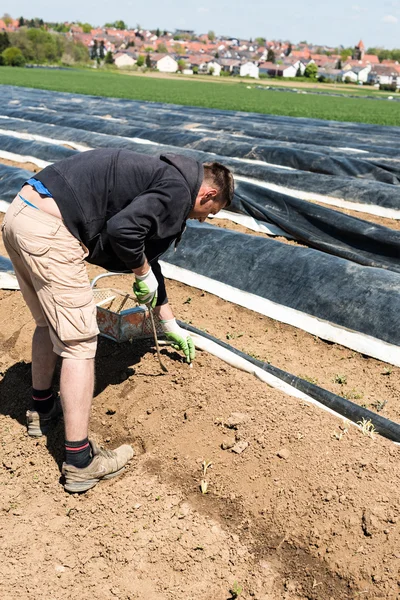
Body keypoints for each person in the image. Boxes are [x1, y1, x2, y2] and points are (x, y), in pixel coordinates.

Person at [1, 149, 234, 493]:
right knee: (79, 345)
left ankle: (41, 409)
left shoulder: (162, 175)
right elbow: (124, 230)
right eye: (208, 213)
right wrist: (140, 272)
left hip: (21, 213)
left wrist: (167, 322)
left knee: (47, 324)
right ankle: (80, 462)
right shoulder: (177, 191)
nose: (202, 219)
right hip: (52, 230)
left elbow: (145, 253)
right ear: (208, 194)